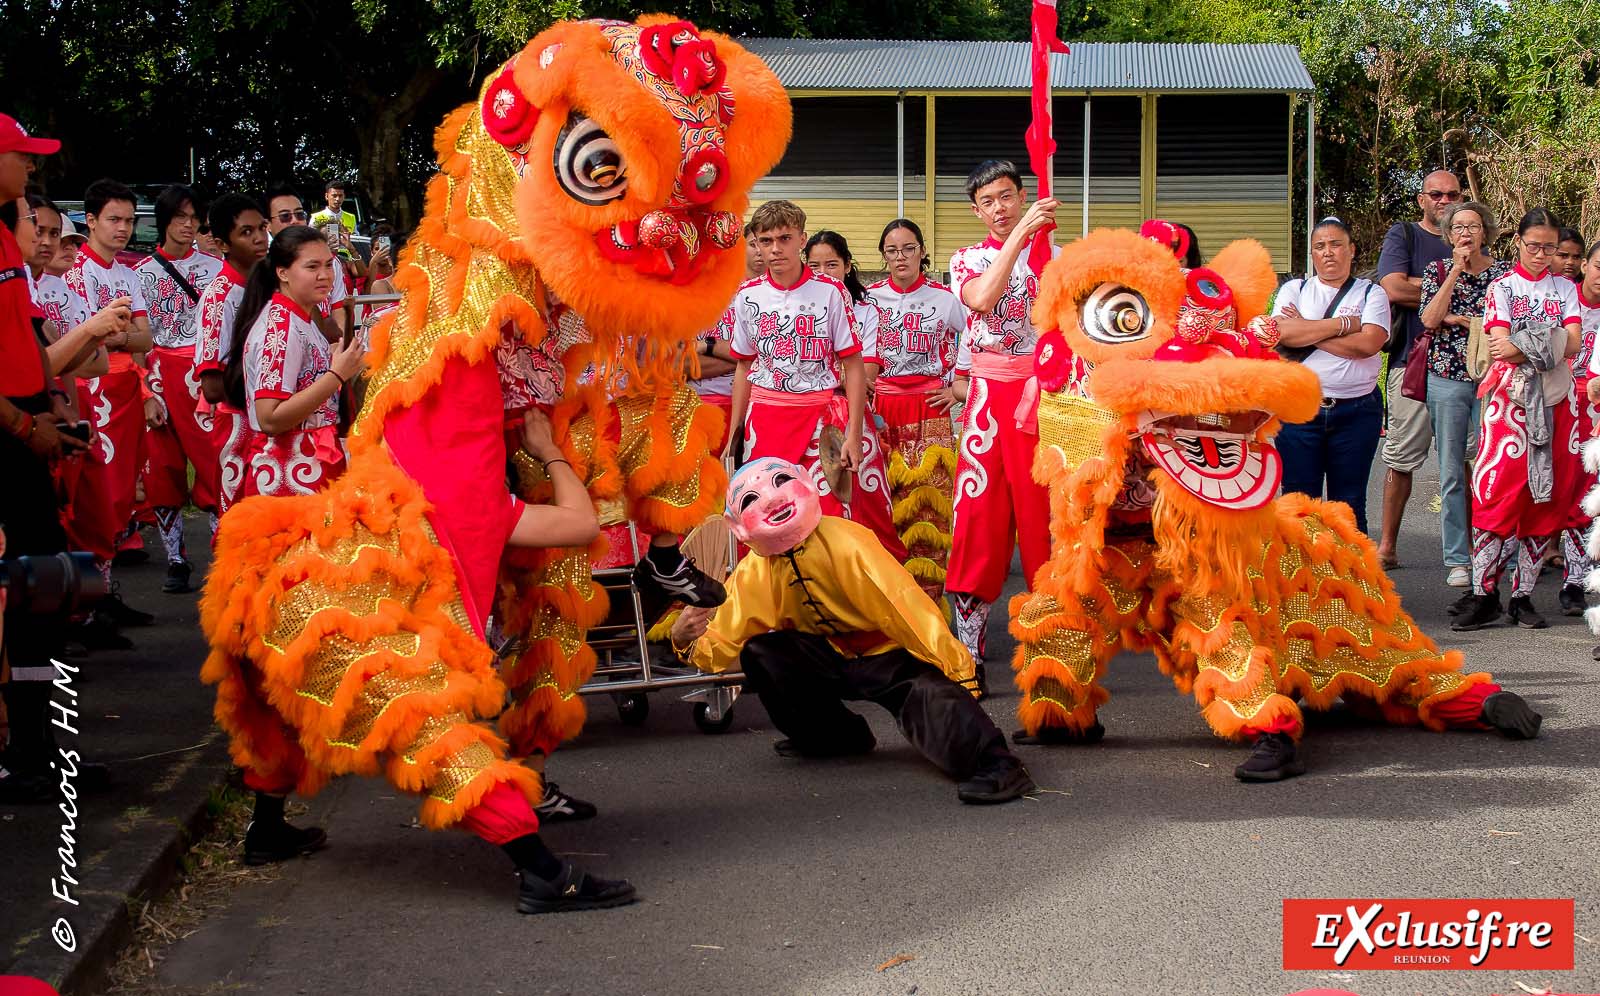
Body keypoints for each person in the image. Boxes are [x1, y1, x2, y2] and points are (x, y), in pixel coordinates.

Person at [670, 458, 1035, 804]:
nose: (773, 498)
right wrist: (685, 638)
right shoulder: (753, 572)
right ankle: (833, 737)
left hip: (887, 657)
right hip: (827, 656)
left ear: (807, 482)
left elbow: (905, 607)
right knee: (763, 654)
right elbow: (723, 637)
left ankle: (998, 764)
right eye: (751, 499)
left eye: (781, 481)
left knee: (931, 697)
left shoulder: (849, 541)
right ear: (737, 526)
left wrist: (959, 672)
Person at [0, 116, 103, 802]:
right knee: (20, 592)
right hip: (8, 437)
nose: (30, 170)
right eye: (21, 157)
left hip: (27, 430)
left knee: (42, 590)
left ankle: (37, 751)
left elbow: (21, 341)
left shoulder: (6, 235)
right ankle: (20, 756)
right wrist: (19, 423)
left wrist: (53, 410)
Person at [720, 200, 903, 557]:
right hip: (767, 421)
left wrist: (852, 434)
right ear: (755, 243)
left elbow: (852, 364)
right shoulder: (747, 296)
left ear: (801, 239)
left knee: (828, 517)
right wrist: (735, 434)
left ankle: (830, 606)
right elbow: (744, 367)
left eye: (784, 238)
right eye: (766, 240)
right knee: (766, 521)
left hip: (820, 420)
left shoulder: (831, 293)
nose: (775, 249)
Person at [945, 159, 1063, 673]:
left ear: (1023, 195)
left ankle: (1052, 645)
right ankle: (968, 649)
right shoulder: (967, 259)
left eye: (1007, 197)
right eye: (988, 201)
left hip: (1045, 401)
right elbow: (983, 298)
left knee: (1046, 522)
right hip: (988, 400)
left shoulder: (1060, 260)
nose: (999, 208)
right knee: (978, 518)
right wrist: (1020, 236)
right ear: (977, 211)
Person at [1452, 208, 1585, 632]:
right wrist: (1548, 338)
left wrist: (1525, 341)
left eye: (1549, 247)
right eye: (1534, 246)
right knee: (1495, 495)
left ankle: (1522, 596)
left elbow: (1574, 344)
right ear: (1519, 243)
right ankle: (1484, 592)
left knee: (1543, 498)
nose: (1542, 254)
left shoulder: (1566, 287)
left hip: (1557, 403)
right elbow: (1499, 347)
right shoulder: (1502, 287)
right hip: (1508, 406)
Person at [222, 225, 364, 498]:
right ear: (283, 272)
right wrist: (336, 375)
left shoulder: (300, 319)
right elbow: (270, 418)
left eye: (328, 265)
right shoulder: (280, 329)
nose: (324, 276)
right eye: (312, 267)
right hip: (288, 476)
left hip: (308, 465)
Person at [865, 218, 964, 600]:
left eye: (908, 249)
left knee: (928, 507)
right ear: (884, 257)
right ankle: (885, 599)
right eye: (892, 251)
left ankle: (928, 598)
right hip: (883, 407)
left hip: (929, 408)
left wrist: (957, 388)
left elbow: (974, 338)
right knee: (884, 501)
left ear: (922, 251)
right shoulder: (870, 299)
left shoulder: (946, 298)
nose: (900, 257)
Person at [1271, 217, 1391, 533]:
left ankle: (1352, 579)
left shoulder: (1371, 294)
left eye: (1336, 244)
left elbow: (1368, 344)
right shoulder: (1294, 290)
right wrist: (1344, 325)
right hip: (1299, 411)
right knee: (1297, 503)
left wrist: (1307, 330)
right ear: (1311, 254)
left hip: (1357, 412)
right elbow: (1281, 334)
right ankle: (1300, 581)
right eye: (1320, 246)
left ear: (1351, 250)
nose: (1328, 252)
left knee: (1348, 504)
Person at [133, 184, 225, 592]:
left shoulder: (215, 269)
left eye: (194, 218)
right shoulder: (141, 275)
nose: (189, 226)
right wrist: (146, 392)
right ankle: (175, 556)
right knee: (163, 464)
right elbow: (137, 338)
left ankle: (222, 553)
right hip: (159, 370)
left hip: (201, 372)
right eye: (180, 218)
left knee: (212, 462)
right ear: (163, 221)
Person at [1419, 201, 1509, 590]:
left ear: (1486, 233)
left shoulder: (1504, 275)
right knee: (1452, 470)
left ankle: (1497, 550)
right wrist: (1456, 269)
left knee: (1497, 468)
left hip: (1495, 377)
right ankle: (1458, 558)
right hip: (1448, 377)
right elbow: (1429, 319)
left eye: (1473, 227)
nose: (1466, 234)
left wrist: (1467, 320)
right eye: (1458, 228)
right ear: (1448, 235)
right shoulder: (1437, 271)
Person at [1375, 169, 1459, 569]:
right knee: (1401, 457)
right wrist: (1448, 298)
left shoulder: (1470, 239)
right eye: (1436, 194)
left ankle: (1471, 551)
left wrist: (1422, 290)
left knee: (1469, 461)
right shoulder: (1404, 235)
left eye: (1453, 195)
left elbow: (1488, 291)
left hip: (1466, 368)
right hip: (1414, 362)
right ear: (1422, 199)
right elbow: (1393, 287)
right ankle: (1387, 546)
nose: (1445, 201)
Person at [194, 193, 270, 513]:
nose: (259, 238)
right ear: (223, 244)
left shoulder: (274, 285)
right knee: (244, 522)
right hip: (241, 429)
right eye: (246, 232)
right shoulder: (219, 298)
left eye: (262, 228)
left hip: (273, 423)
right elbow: (212, 387)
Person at [690, 223, 761, 452]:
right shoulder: (690, 300)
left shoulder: (771, 300)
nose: (761, 250)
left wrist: (706, 346)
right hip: (696, 407)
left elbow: (766, 356)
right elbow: (680, 364)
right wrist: (742, 356)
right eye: (753, 244)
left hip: (750, 407)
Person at [1563, 240, 1600, 616]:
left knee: (1590, 498)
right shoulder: (1565, 300)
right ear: (1586, 265)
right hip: (1562, 404)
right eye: (1599, 266)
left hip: (1597, 410)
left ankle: (1580, 579)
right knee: (1567, 494)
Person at [265, 183, 350, 341]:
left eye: (300, 214)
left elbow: (339, 317)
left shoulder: (333, 262)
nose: (294, 221)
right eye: (285, 216)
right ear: (267, 225)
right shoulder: (261, 268)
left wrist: (340, 348)